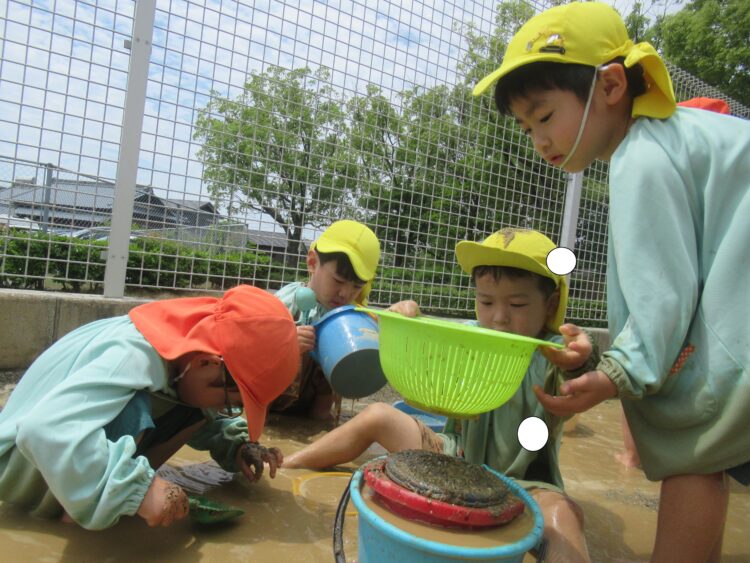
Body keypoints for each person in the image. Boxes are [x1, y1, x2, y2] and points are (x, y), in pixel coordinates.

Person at [472, 4, 750, 562]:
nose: (538, 141)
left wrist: (617, 372)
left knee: (691, 444)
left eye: (545, 116)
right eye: (527, 128)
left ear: (611, 86)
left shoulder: (641, 157)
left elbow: (662, 296)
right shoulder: (681, 137)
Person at [285, 228, 600, 563]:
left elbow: (582, 374)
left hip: (525, 483)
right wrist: (406, 316)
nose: (499, 317)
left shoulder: (555, 353)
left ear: (550, 304)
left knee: (564, 515)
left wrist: (581, 360)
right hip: (455, 454)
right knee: (377, 415)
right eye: (486, 302)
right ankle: (287, 463)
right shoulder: (471, 336)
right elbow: (429, 341)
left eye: (517, 304)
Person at [0, 285, 299, 530]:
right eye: (229, 403)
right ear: (205, 362)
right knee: (137, 408)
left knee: (195, 405)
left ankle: (104, 497)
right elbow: (43, 430)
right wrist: (138, 490)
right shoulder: (131, 355)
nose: (224, 409)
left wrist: (236, 444)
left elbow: (196, 406)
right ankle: (77, 517)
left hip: (45, 461)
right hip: (21, 467)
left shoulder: (181, 346)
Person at [614, 95, 733, 470]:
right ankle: (634, 454)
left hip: (693, 334)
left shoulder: (655, 154)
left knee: (653, 379)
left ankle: (634, 455)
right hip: (696, 329)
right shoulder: (712, 153)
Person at [270, 219, 417, 420]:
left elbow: (374, 326)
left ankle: (321, 421)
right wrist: (284, 346)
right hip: (270, 404)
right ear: (313, 263)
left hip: (312, 407)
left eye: (357, 286)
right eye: (338, 280)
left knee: (338, 346)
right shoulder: (285, 303)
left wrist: (400, 312)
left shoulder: (348, 315)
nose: (345, 293)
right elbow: (249, 358)